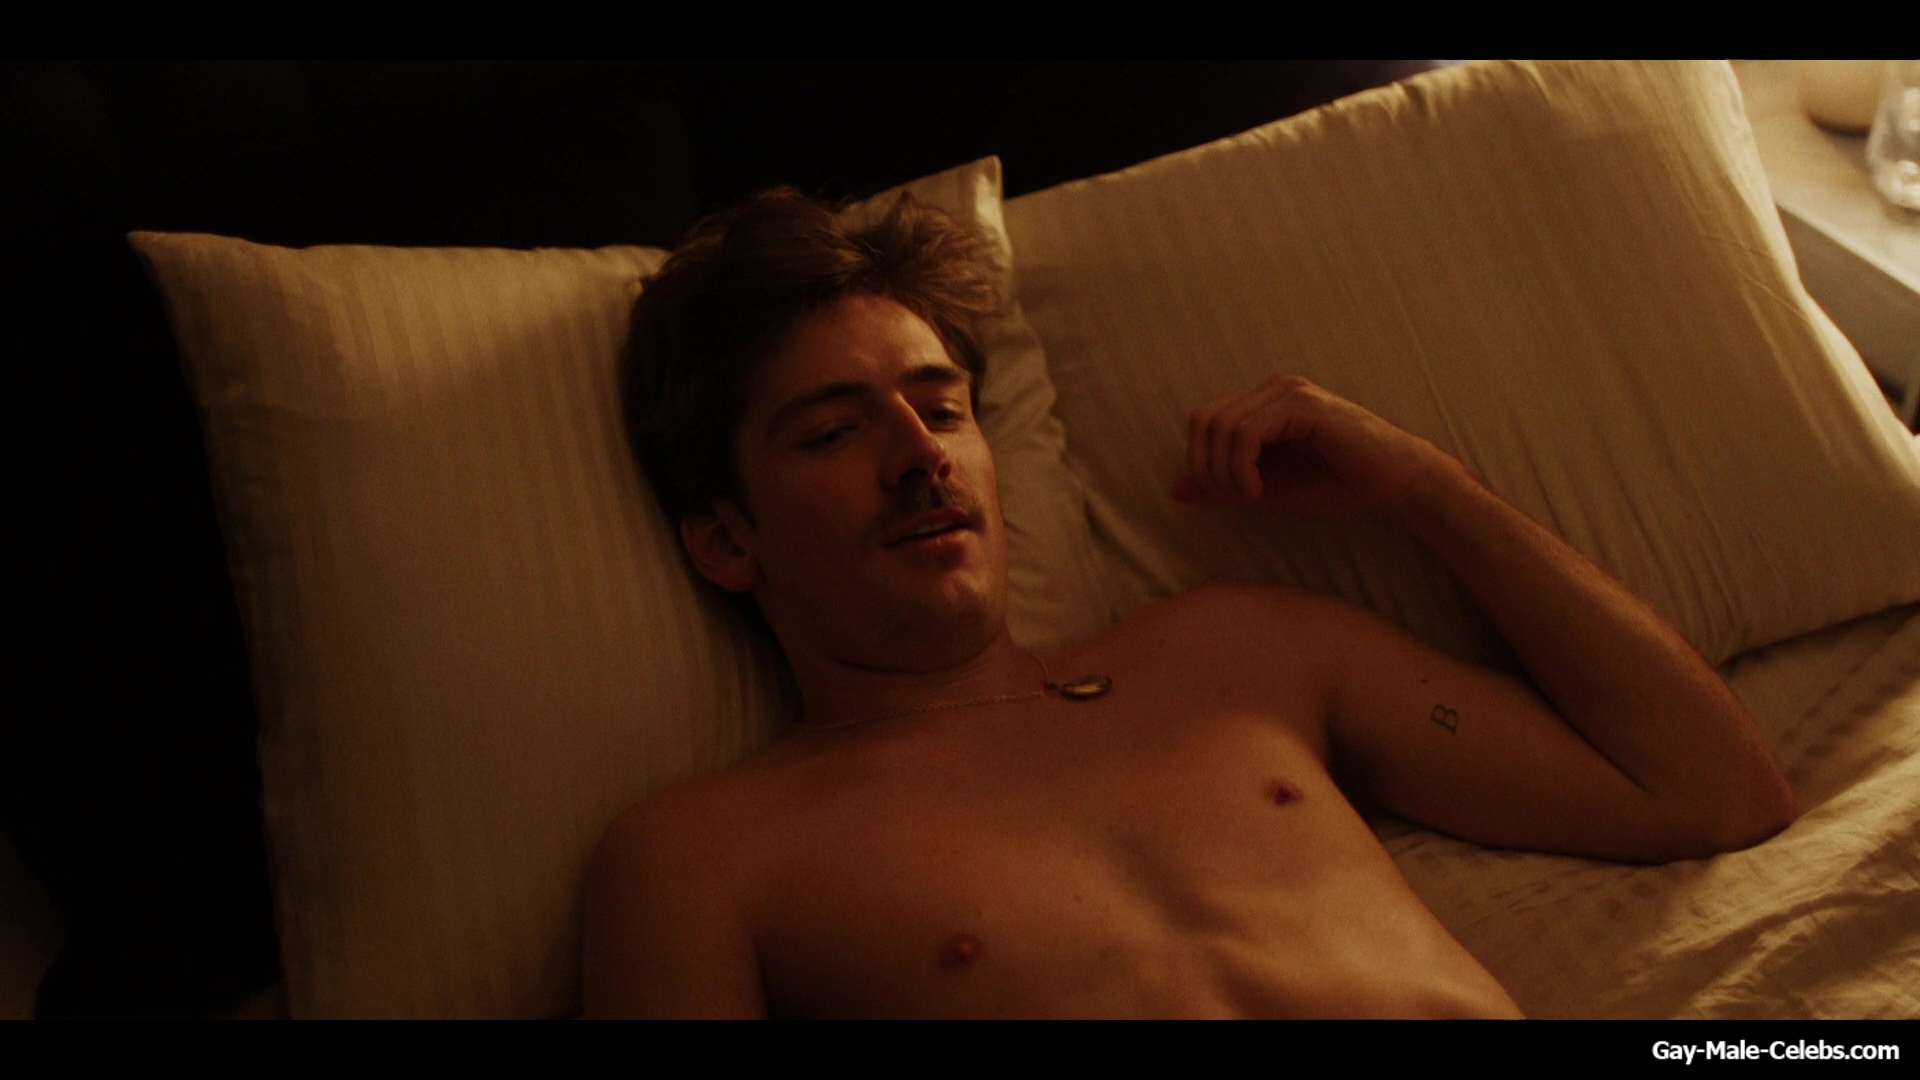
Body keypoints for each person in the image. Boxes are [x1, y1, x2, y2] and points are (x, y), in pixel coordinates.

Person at [583, 189, 1798, 1019]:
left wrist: (1423, 487)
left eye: (942, 409)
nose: (920, 456)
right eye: (833, 433)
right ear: (726, 539)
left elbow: (1710, 791)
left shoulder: (1238, 653)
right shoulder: (702, 859)